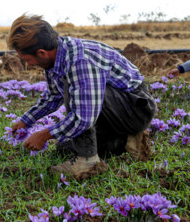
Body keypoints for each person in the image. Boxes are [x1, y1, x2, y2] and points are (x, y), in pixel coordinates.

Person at [8, 14, 157, 177]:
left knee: (74, 92)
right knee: (64, 147)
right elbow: (52, 97)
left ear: (42, 53)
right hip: (114, 111)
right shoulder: (55, 58)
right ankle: (128, 141)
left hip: (136, 109)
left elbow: (83, 118)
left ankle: (87, 161)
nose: (28, 65)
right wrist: (26, 120)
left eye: (27, 59)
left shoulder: (79, 62)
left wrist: (44, 135)